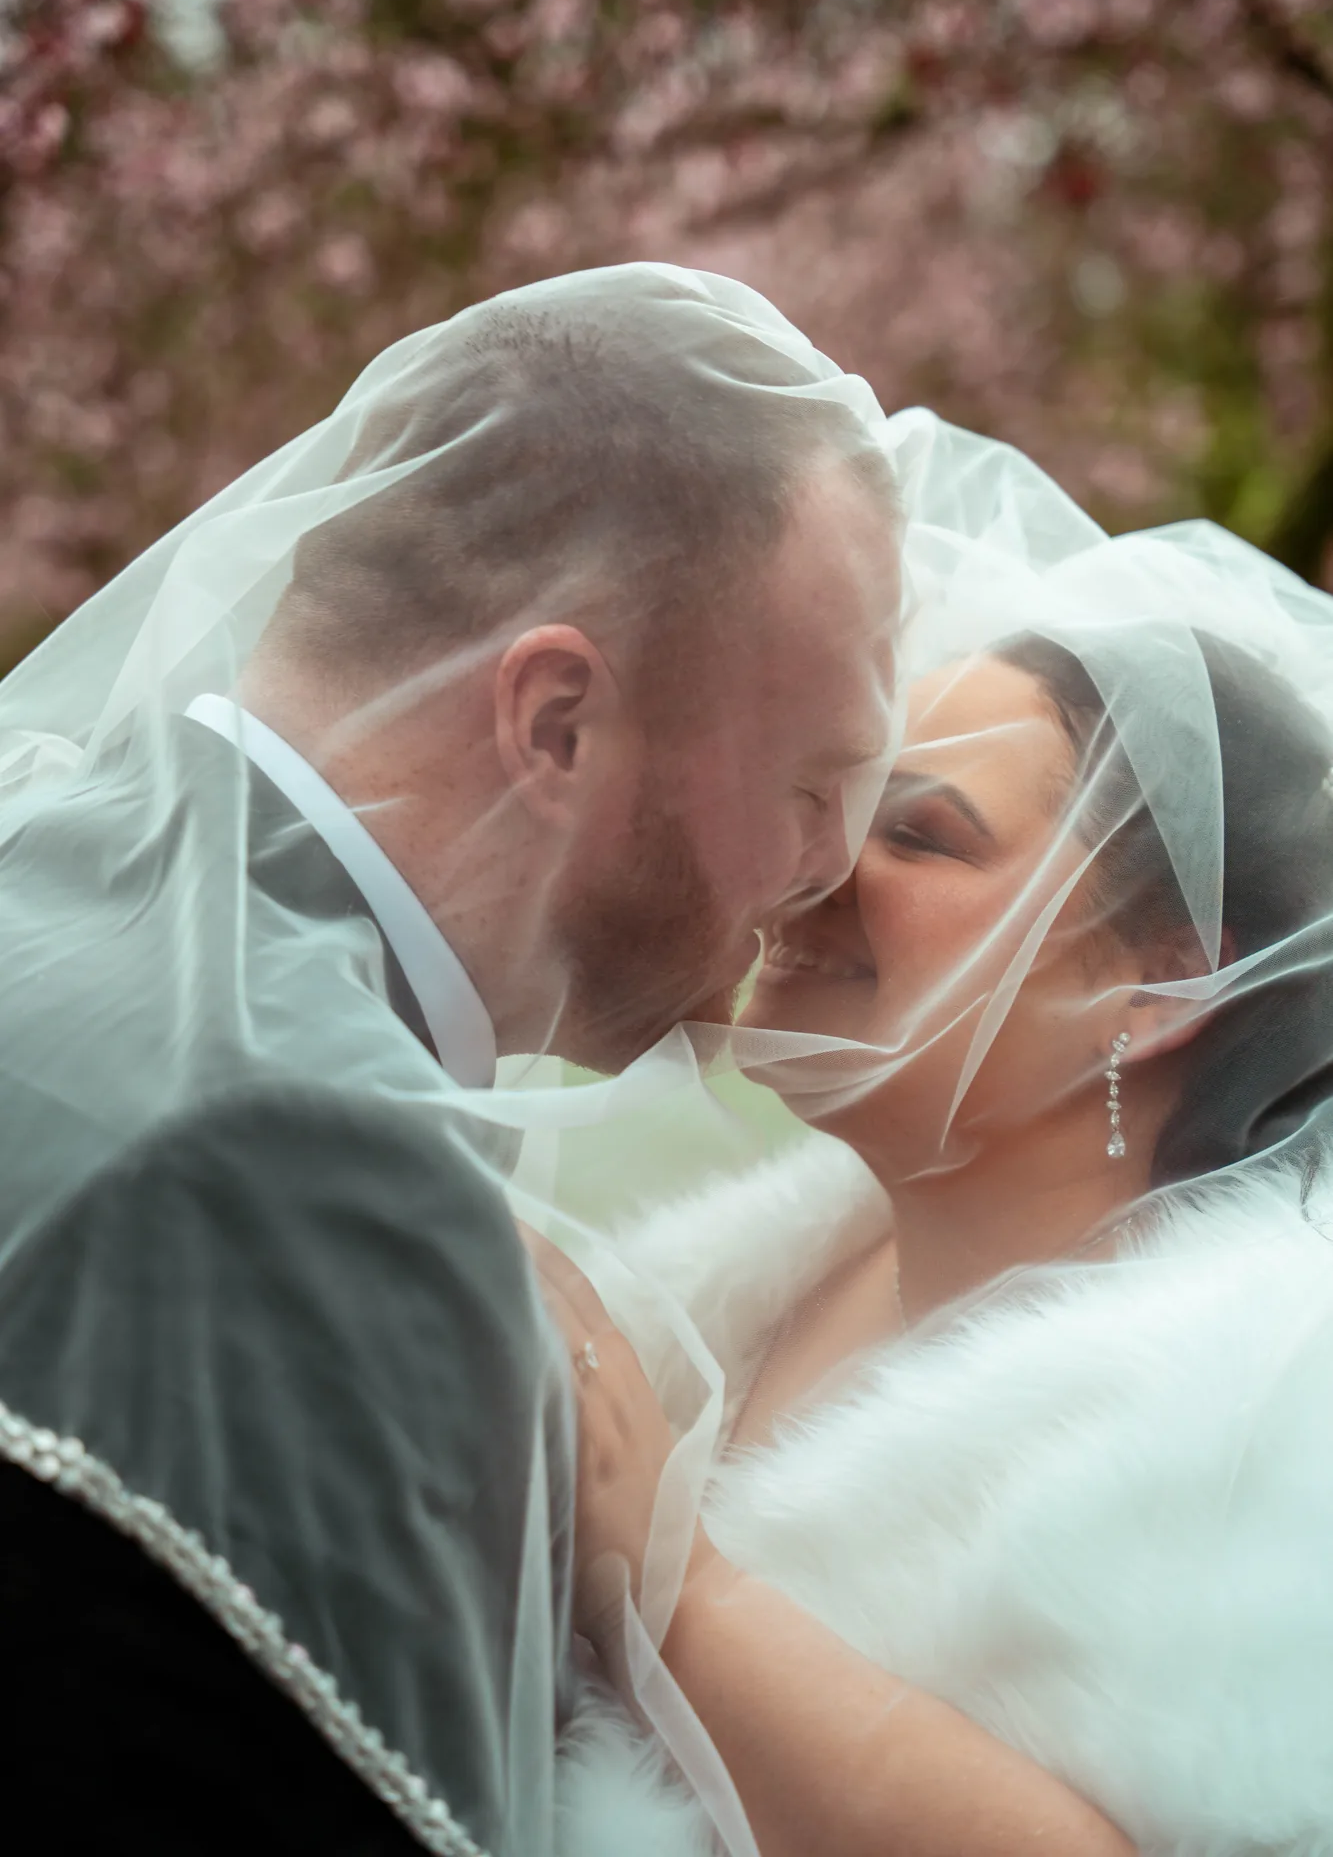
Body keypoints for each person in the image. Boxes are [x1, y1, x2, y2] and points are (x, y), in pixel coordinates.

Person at [0, 265, 903, 1856]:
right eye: (816, 781)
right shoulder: (315, 1169)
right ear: (556, 723)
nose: (830, 869)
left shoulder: (40, 861)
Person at [539, 413, 1333, 1856]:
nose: (818, 865)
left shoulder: (1279, 1397)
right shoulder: (746, 1285)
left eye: (921, 833)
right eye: (834, 806)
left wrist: (676, 1581)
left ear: (1156, 986)